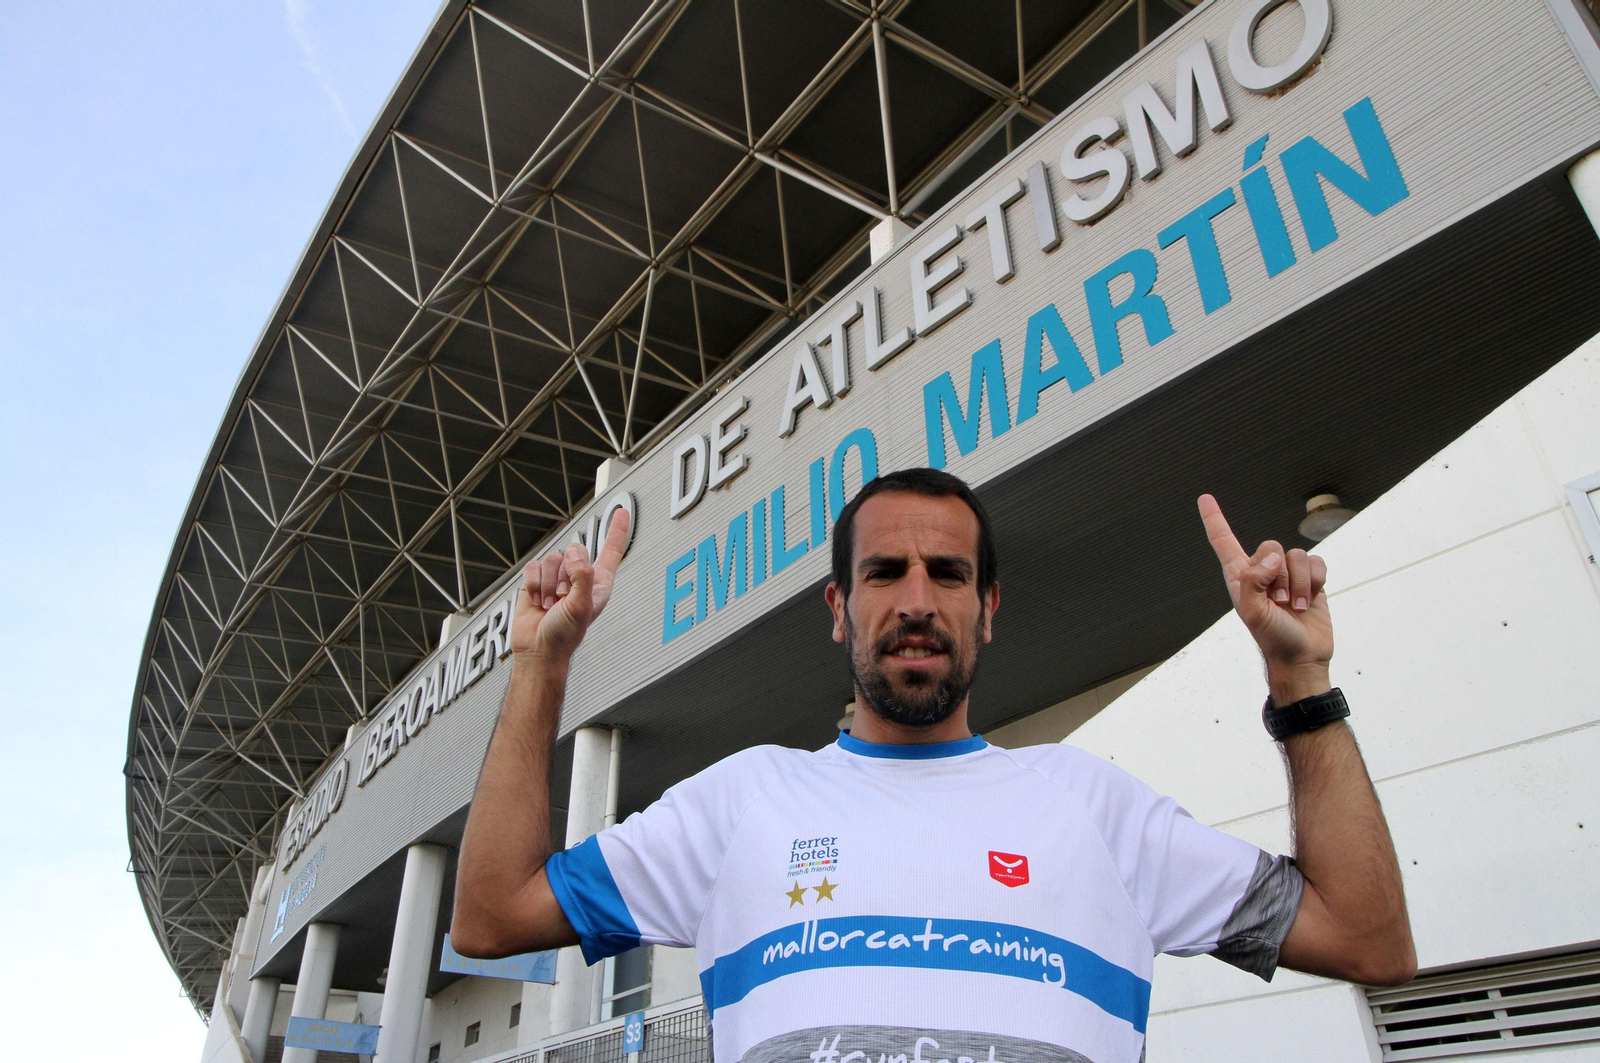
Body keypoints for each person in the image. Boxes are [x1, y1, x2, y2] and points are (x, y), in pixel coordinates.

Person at [452, 468, 1415, 1063]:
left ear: (987, 608)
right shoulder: (742, 802)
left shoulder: (1092, 806)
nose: (916, 599)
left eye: (947, 574)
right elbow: (494, 913)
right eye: (885, 573)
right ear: (838, 608)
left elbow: (1368, 940)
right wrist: (543, 664)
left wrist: (1299, 672)